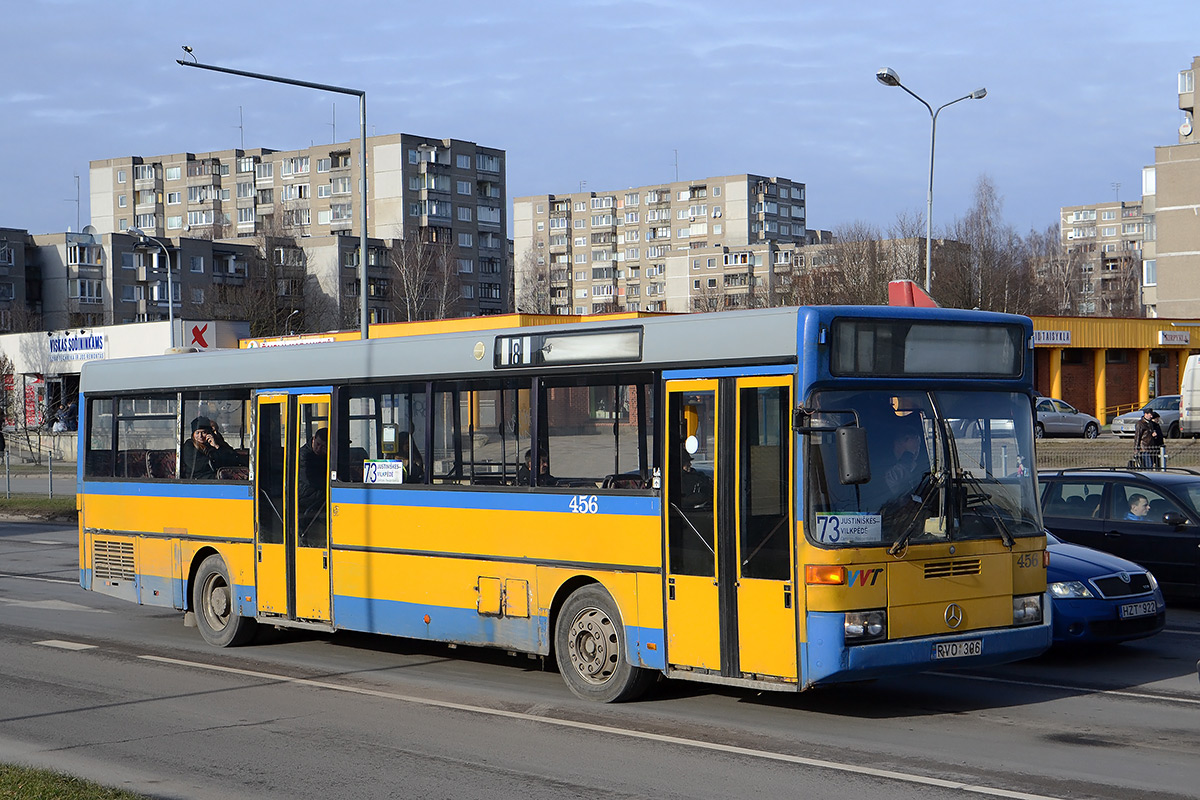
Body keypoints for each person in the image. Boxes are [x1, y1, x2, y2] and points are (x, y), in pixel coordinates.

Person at [884, 429, 923, 495]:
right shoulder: (891, 474)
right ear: (897, 446)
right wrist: (904, 464)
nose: (915, 452)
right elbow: (900, 494)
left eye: (917, 447)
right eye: (908, 452)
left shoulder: (924, 469)